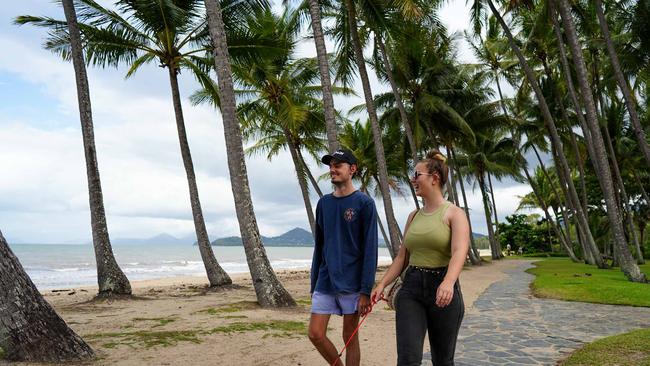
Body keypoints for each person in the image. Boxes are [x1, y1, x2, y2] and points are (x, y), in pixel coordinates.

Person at [371, 150, 469, 366]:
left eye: (417, 174)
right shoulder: (413, 216)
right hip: (411, 289)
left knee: (443, 361)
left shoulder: (454, 213)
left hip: (443, 288)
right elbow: (402, 257)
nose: (412, 179)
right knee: (407, 359)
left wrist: (449, 282)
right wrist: (381, 284)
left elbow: (459, 251)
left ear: (434, 178)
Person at [308, 148, 378, 366]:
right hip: (326, 279)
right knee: (315, 334)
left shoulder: (364, 204)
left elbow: (370, 250)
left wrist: (366, 290)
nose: (332, 170)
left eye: (338, 165)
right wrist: (314, 283)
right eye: (330, 166)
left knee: (350, 337)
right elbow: (319, 246)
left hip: (353, 282)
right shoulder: (323, 204)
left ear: (353, 169)